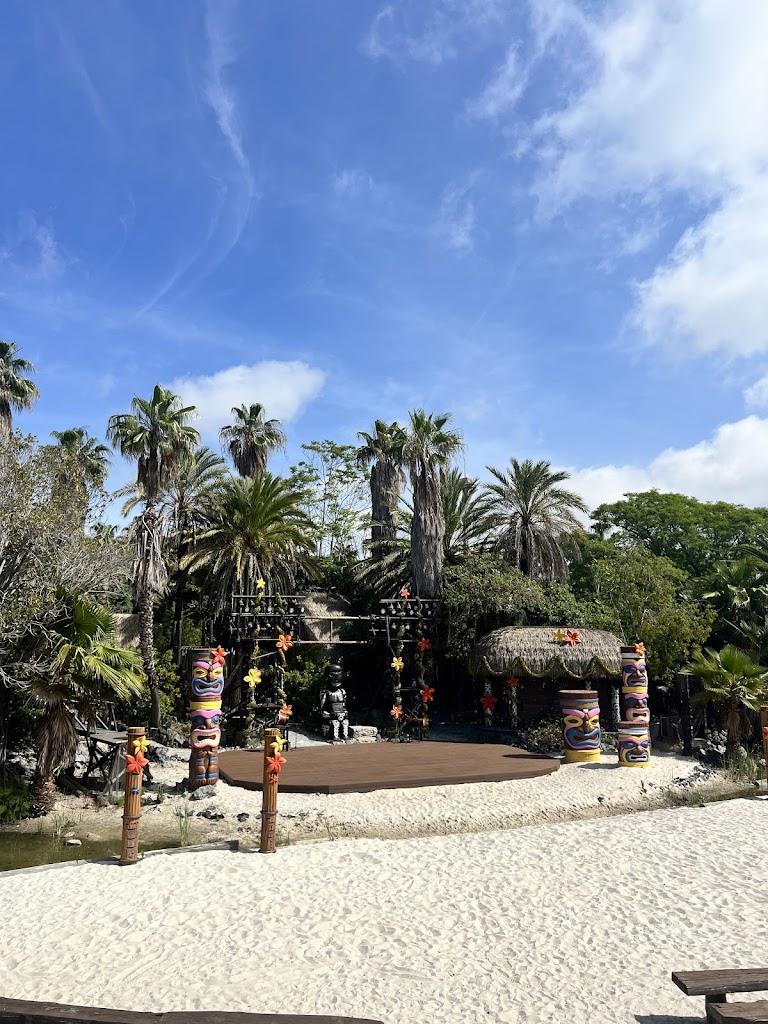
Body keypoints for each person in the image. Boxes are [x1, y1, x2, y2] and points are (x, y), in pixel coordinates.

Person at [320, 664, 349, 743]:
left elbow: (345, 705)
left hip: (341, 714)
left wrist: (345, 712)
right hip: (332, 716)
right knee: (335, 723)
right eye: (332, 675)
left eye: (339, 674)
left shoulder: (342, 691)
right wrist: (329, 715)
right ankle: (335, 736)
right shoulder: (325, 693)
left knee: (345, 722)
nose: (336, 678)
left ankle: (345, 735)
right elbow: (323, 710)